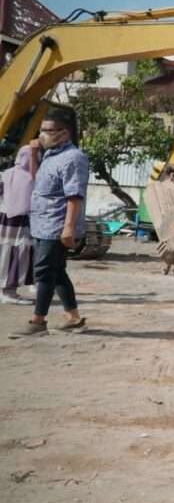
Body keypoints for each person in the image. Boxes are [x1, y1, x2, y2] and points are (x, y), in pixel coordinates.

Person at [13, 107, 89, 338]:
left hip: (56, 225)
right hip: (42, 222)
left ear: (64, 133)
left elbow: (74, 195)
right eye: (41, 130)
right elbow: (39, 182)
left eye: (48, 130)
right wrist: (35, 155)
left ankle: (38, 322)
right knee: (56, 271)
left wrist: (68, 228)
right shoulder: (51, 155)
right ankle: (73, 317)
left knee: (44, 272)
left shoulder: (74, 158)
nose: (42, 135)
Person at [1, 145, 37, 304]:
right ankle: (8, 292)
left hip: (4, 219)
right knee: (15, 254)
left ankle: (6, 291)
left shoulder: (5, 175)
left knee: (5, 253)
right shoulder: (32, 177)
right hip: (20, 221)